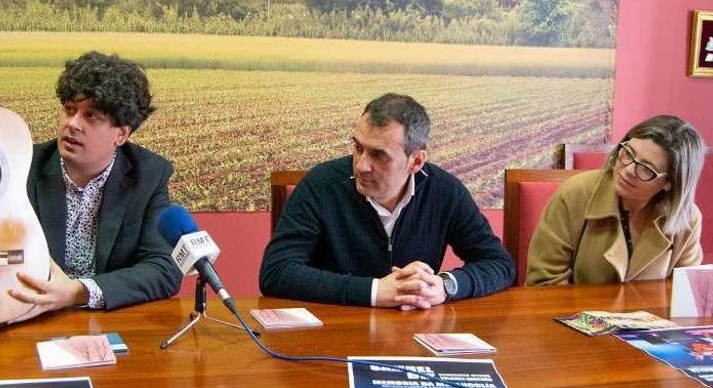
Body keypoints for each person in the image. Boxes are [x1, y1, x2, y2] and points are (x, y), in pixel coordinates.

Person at [0, 52, 182, 331]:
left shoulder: (149, 174)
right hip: (26, 320)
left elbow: (163, 270)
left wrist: (77, 292)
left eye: (91, 116)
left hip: (107, 323)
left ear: (122, 133)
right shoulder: (16, 167)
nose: (72, 124)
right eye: (69, 109)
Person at [259, 93, 515, 309]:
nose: (361, 166)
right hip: (330, 331)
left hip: (412, 338)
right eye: (358, 147)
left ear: (415, 162)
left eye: (379, 155)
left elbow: (499, 264)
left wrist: (445, 285)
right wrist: (375, 291)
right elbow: (276, 272)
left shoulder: (444, 191)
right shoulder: (321, 185)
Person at [526, 115, 705, 285]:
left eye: (645, 168)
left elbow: (685, 294)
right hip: (575, 314)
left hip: (652, 316)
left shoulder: (688, 219)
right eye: (628, 153)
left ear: (670, 183)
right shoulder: (575, 193)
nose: (627, 170)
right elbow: (545, 281)